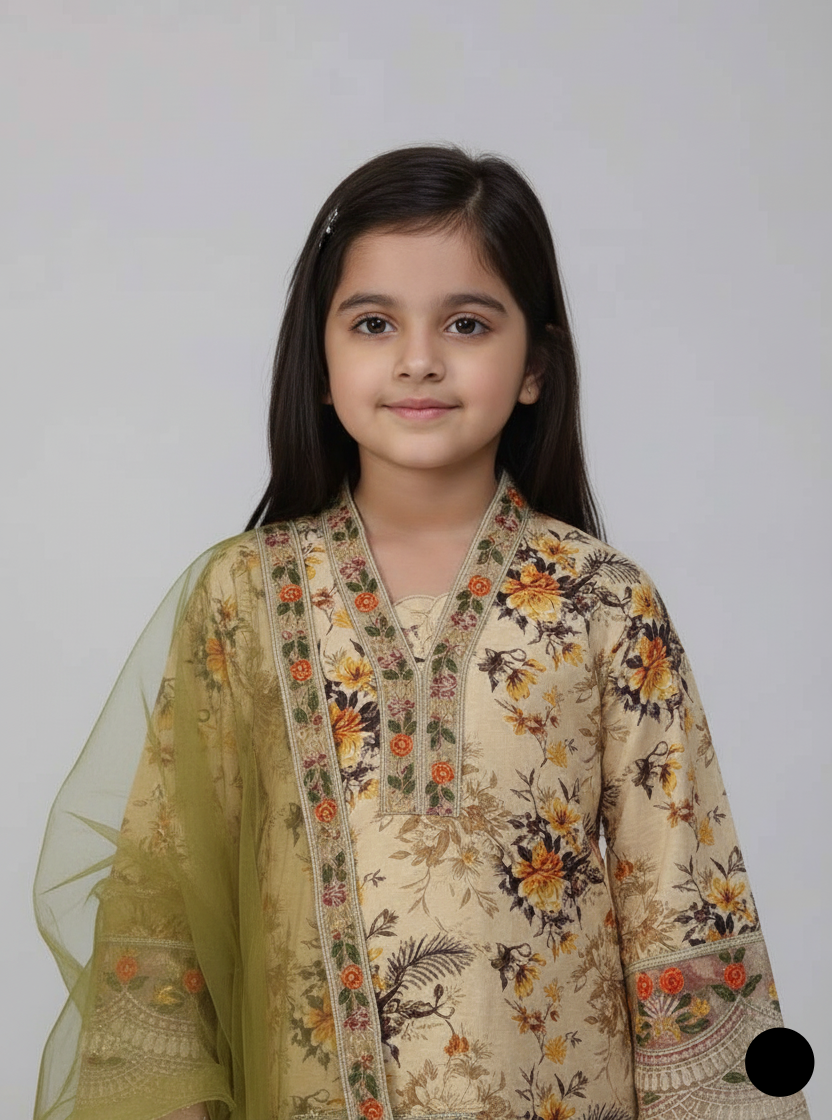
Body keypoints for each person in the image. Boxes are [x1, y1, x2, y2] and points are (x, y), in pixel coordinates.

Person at [33, 145, 811, 1120]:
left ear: (534, 367)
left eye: (466, 323)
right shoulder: (246, 597)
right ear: (320, 365)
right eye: (373, 323)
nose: (418, 359)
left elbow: (681, 913)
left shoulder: (602, 602)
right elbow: (164, 921)